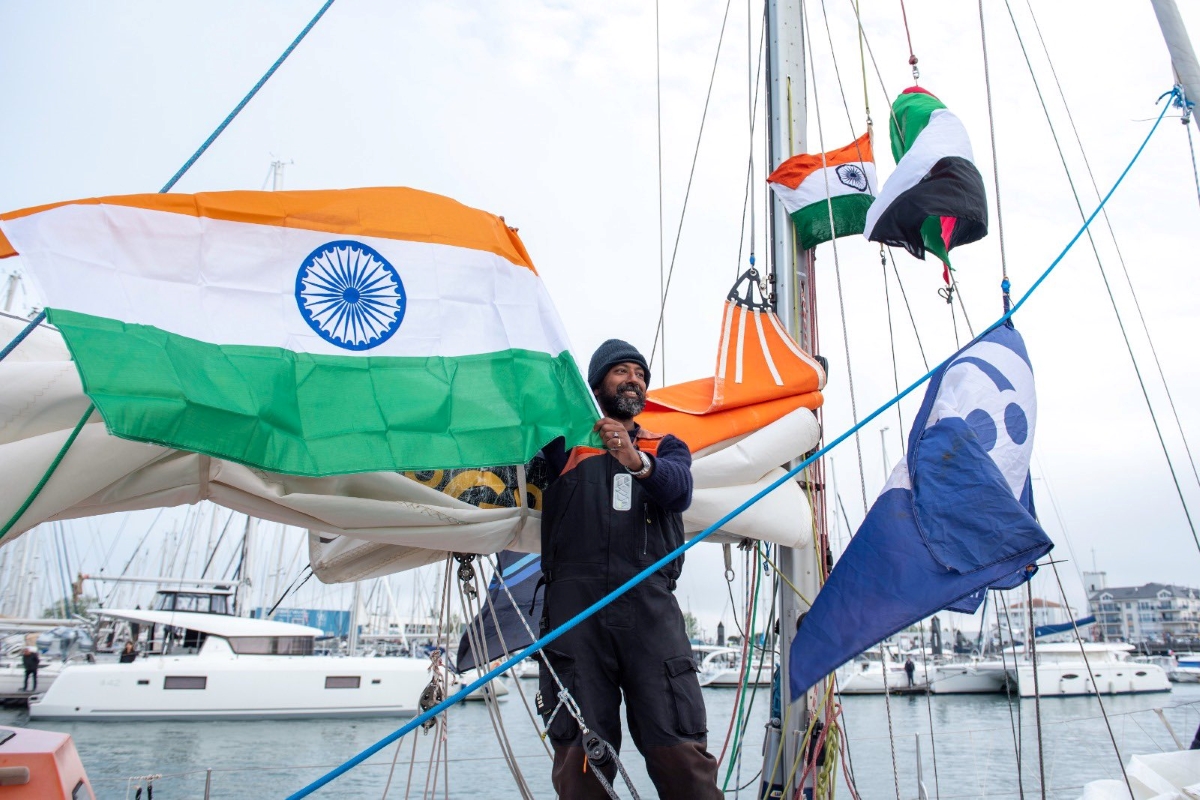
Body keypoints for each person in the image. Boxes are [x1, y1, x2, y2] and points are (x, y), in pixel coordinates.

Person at [538, 339, 721, 799]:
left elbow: (679, 491)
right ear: (597, 384)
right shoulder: (563, 447)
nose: (633, 380)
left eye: (639, 373)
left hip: (649, 610)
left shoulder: (667, 446)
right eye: (621, 371)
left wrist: (635, 460)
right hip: (576, 615)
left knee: (678, 746)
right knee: (582, 754)